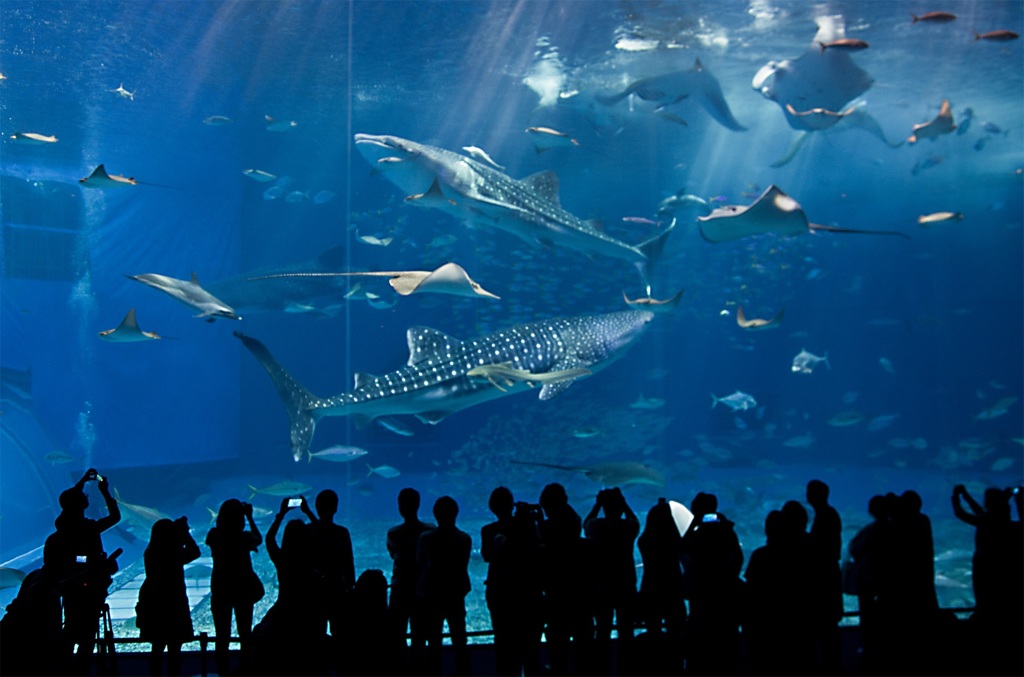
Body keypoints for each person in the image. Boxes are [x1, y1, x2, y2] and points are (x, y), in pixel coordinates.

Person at [43, 468, 121, 676]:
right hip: (90, 588)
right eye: (83, 496)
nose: (86, 497)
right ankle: (80, 672)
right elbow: (115, 517)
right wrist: (104, 491)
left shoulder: (58, 533)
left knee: (69, 632)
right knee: (86, 638)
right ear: (80, 505)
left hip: (68, 590)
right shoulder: (88, 529)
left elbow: (69, 502)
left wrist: (82, 481)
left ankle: (64, 670)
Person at [251, 496, 329, 675]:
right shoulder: (313, 559)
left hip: (284, 611)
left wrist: (281, 514)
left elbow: (270, 539)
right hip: (310, 614)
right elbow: (323, 537)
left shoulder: (283, 560)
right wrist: (308, 512)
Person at [480, 487, 543, 677]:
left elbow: (486, 555)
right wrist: (532, 521)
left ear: (492, 507)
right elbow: (537, 548)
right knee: (531, 648)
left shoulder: (488, 530)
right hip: (527, 593)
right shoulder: (526, 527)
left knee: (504, 645)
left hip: (500, 593)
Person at [680, 492, 743, 676]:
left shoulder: (697, 536)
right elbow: (738, 559)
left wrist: (694, 523)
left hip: (701, 602)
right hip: (726, 602)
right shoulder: (727, 532)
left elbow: (682, 551)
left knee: (699, 654)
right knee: (726, 652)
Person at [538, 482, 593, 676]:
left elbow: (544, 557)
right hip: (582, 599)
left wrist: (540, 527)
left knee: (558, 646)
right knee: (583, 648)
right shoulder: (574, 524)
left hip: (558, 598)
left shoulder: (549, 530)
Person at [584, 486, 640, 674]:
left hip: (602, 587)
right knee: (627, 632)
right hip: (625, 587)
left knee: (602, 631)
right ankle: (626, 670)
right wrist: (623, 503)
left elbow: (586, 524)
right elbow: (635, 522)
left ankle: (602, 671)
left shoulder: (597, 527)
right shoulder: (627, 528)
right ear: (621, 508)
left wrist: (598, 504)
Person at [206, 498, 264, 676]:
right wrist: (251, 517)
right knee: (245, 633)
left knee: (221, 635)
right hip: (242, 588)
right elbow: (259, 539)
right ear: (241, 519)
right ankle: (245, 669)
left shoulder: (213, 535)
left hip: (221, 588)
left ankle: (223, 672)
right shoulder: (244, 538)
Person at [136, 517, 201, 676]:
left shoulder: (151, 551)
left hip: (154, 602)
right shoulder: (173, 553)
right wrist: (185, 533)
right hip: (174, 602)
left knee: (157, 647)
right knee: (174, 648)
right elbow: (195, 552)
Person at [417, 495, 472, 676]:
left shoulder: (426, 538)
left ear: (435, 514)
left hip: (433, 595)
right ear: (456, 514)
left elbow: (421, 562)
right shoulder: (464, 539)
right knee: (460, 641)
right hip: (456, 594)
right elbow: (462, 565)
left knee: (433, 642)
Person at [635, 498, 685, 675]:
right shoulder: (677, 541)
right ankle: (676, 666)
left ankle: (654, 666)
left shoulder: (644, 541)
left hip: (651, 588)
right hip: (674, 587)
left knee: (653, 631)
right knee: (677, 631)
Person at [386, 487, 434, 672]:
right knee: (420, 635)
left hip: (400, 588)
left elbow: (393, 554)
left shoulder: (393, 533)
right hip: (422, 590)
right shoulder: (430, 531)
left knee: (397, 634)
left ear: (400, 507)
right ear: (418, 505)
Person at [304, 489, 355, 641]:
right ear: (336, 509)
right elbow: (348, 562)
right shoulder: (342, 533)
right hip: (337, 587)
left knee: (314, 633)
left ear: (316, 507)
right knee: (341, 633)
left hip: (314, 589)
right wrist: (351, 586)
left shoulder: (307, 531)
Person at [806, 479, 843, 675]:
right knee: (827, 626)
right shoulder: (826, 514)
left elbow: (822, 550)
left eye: (810, 492)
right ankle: (831, 666)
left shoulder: (826, 516)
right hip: (828, 575)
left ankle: (830, 668)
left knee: (825, 626)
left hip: (824, 577)